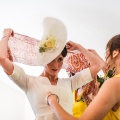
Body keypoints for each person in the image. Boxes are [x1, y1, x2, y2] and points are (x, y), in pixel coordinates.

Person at [0, 17, 103, 120]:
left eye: (60, 60)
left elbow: (98, 65)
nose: (56, 65)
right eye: (51, 60)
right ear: (44, 58)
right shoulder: (28, 82)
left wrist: (78, 47)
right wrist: (6, 35)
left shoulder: (69, 83)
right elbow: (2, 58)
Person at [45, 34, 120, 120]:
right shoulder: (114, 81)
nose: (105, 56)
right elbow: (105, 69)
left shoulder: (113, 83)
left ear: (115, 53)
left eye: (106, 51)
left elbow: (102, 66)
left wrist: (52, 101)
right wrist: (79, 47)